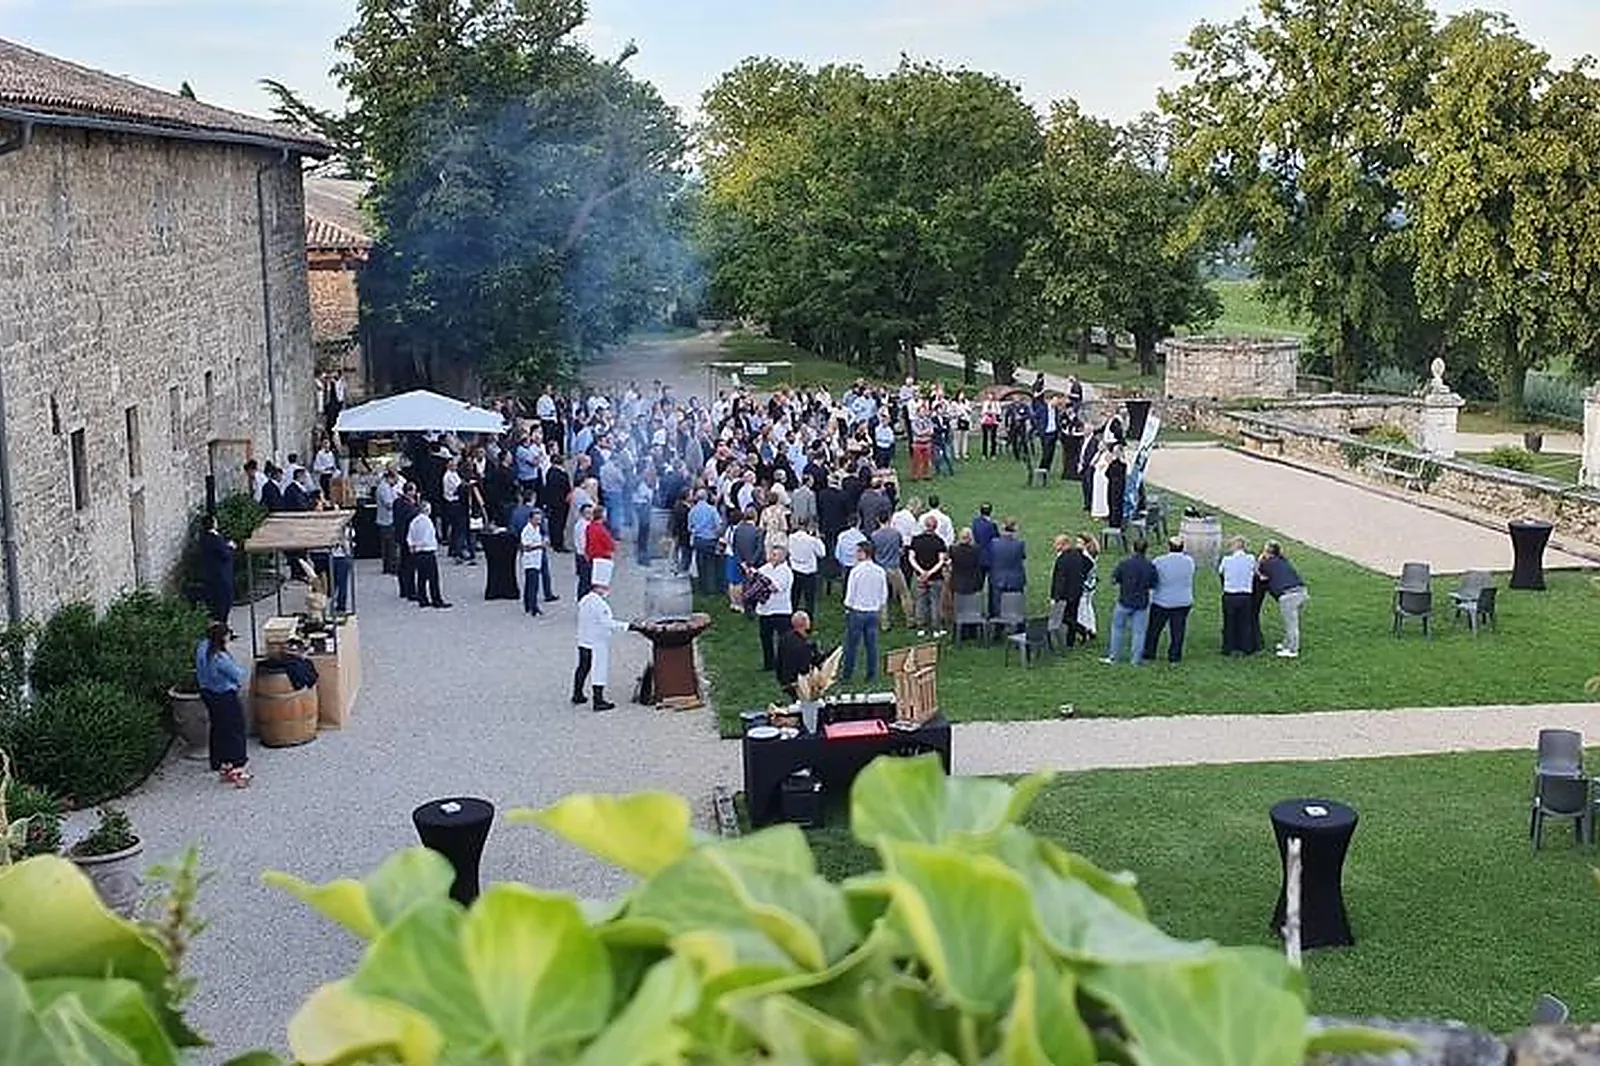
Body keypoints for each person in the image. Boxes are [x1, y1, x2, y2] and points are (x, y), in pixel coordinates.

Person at [573, 558, 634, 711]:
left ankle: (577, 694)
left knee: (582, 667)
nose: (607, 589)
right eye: (605, 586)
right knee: (599, 669)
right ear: (599, 586)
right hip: (597, 642)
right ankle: (598, 701)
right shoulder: (599, 604)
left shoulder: (585, 599)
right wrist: (629, 626)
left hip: (583, 640)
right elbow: (608, 623)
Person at [195, 621, 251, 788]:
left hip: (207, 693)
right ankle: (238, 766)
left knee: (218, 728)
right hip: (224, 695)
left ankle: (220, 762)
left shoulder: (202, 647)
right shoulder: (219, 657)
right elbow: (238, 675)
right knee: (235, 729)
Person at [1103, 538, 1156, 665]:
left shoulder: (1124, 563)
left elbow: (1114, 579)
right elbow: (1153, 584)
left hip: (1124, 601)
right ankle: (1136, 660)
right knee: (1139, 632)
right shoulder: (1150, 566)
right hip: (1142, 602)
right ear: (1146, 549)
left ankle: (1113, 657)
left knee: (1117, 628)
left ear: (1133, 548)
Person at [841, 540, 888, 682]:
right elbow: (883, 593)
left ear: (863, 553)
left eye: (858, 551)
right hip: (873, 612)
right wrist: (878, 605)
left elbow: (850, 593)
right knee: (872, 645)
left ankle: (847, 675)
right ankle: (871, 674)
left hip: (857, 612)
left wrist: (848, 607)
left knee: (851, 646)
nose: (855, 554)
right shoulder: (880, 571)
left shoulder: (856, 571)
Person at [1144, 537, 1196, 663]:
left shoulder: (1159, 561)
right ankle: (1174, 657)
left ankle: (1149, 653)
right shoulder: (1189, 561)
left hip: (1162, 600)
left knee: (1154, 629)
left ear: (1169, 546)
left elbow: (1153, 577)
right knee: (1178, 630)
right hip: (1182, 601)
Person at [1259, 541, 1309, 658]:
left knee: (1291, 623)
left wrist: (1261, 558)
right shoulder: (1283, 560)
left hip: (1288, 596)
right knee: (1291, 621)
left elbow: (1260, 573)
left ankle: (1292, 650)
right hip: (1301, 592)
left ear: (1268, 552)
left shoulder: (1267, 563)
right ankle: (1286, 643)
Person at [754, 546, 794, 672]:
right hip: (765, 610)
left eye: (776, 555)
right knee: (766, 638)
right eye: (772, 554)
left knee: (784, 640)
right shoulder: (767, 568)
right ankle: (769, 664)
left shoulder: (786, 572)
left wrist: (762, 583)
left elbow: (775, 588)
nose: (772, 557)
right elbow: (756, 576)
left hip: (781, 611)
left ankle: (785, 664)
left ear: (783, 557)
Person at [870, 513, 913, 630]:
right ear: (888, 519)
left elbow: (873, 551)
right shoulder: (896, 533)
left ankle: (884, 623)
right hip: (894, 567)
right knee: (904, 594)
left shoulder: (874, 535)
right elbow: (901, 548)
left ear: (878, 520)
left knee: (882, 597)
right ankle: (910, 620)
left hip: (880, 568)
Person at [909, 514, 947, 637]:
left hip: (920, 576)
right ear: (935, 527)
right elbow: (941, 561)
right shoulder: (939, 541)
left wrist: (921, 572)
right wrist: (929, 572)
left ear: (925, 526)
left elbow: (911, 558)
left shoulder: (916, 540)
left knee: (920, 601)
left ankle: (921, 628)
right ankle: (936, 629)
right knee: (935, 602)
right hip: (935, 577)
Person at [407, 500, 451, 609]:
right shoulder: (427, 521)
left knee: (421, 577)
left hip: (418, 553)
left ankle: (423, 599)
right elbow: (428, 537)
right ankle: (436, 600)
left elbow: (409, 537)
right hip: (427, 551)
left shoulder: (414, 521)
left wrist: (413, 546)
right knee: (433, 578)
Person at [1219, 537, 1258, 656]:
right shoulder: (1251, 559)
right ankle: (1246, 646)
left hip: (1230, 594)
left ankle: (1228, 647)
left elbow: (1221, 572)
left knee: (1229, 622)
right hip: (1245, 595)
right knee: (1245, 622)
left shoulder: (1226, 560)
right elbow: (1256, 571)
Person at [1048, 534, 1089, 647]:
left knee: (1064, 617)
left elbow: (1059, 580)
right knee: (1072, 615)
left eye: (1056, 544)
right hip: (1076, 591)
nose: (1054, 546)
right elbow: (1088, 564)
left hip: (1065, 594)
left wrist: (1055, 597)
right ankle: (1070, 640)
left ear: (1063, 544)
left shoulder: (1062, 559)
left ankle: (1081, 630)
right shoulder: (1077, 554)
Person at [775, 611, 824, 699]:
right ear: (806, 624)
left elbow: (779, 661)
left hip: (785, 680)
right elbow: (806, 668)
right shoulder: (804, 646)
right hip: (799, 684)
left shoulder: (784, 638)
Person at [987, 519, 1027, 618]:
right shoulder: (1019, 544)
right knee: (1016, 605)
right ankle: (1018, 628)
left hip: (998, 578)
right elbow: (1022, 557)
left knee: (997, 605)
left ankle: (998, 627)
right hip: (1015, 579)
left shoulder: (994, 543)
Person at [198, 514, 235, 623]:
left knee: (220, 602)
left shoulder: (205, 537)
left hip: (216, 573)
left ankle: (223, 626)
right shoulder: (213, 538)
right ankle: (222, 626)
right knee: (224, 601)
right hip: (220, 574)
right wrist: (231, 548)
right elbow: (224, 554)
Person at [687, 490, 723, 595]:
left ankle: (701, 588)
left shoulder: (692, 511)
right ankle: (711, 589)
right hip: (710, 540)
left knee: (700, 564)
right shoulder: (712, 510)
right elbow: (718, 526)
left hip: (698, 540)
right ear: (706, 497)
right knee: (710, 565)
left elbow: (689, 528)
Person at [787, 519, 825, 617]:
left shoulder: (791, 538)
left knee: (794, 598)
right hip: (809, 573)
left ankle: (792, 619)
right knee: (809, 601)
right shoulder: (812, 540)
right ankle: (808, 624)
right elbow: (822, 553)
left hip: (795, 570)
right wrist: (817, 538)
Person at [520, 507, 549, 617]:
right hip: (530, 561)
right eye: (536, 519)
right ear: (530, 519)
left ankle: (528, 605)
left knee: (530, 584)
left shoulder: (537, 529)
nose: (539, 522)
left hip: (536, 560)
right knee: (533, 585)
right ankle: (533, 607)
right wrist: (540, 545)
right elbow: (526, 546)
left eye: (540, 520)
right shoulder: (527, 530)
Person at [375, 468, 400, 575]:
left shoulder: (387, 487)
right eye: (395, 480)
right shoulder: (383, 488)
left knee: (389, 546)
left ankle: (389, 566)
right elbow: (389, 504)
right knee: (390, 546)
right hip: (386, 521)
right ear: (390, 478)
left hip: (386, 520)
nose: (396, 483)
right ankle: (391, 567)